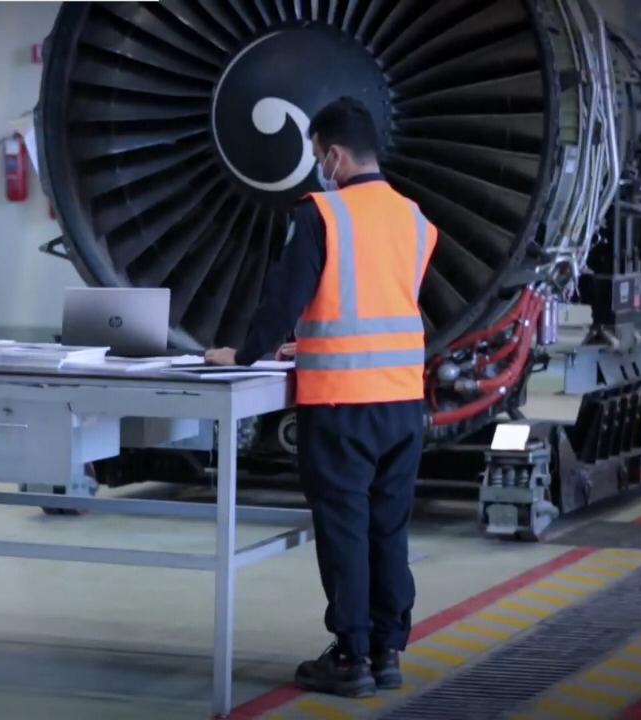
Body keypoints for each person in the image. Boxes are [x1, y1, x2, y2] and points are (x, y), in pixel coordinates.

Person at [206, 97, 437, 698]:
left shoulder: (322, 214)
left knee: (345, 529)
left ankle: (350, 657)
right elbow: (380, 301)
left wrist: (246, 353)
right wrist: (310, 341)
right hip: (403, 400)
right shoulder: (415, 218)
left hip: (340, 402)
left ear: (333, 156)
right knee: (388, 527)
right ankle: (386, 650)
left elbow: (285, 298)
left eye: (317, 156)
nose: (318, 168)